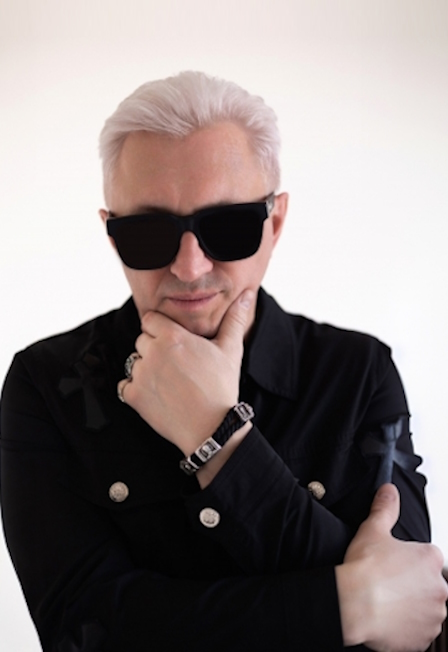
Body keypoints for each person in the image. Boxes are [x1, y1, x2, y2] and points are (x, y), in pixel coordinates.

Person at [1, 71, 446, 652]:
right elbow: (82, 632)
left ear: (274, 223)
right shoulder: (45, 384)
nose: (189, 267)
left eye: (227, 227)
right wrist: (349, 605)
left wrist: (218, 439)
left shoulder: (359, 372)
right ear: (112, 236)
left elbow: (415, 624)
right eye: (148, 233)